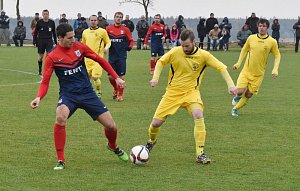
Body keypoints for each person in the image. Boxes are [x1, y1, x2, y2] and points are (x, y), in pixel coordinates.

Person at [30, 23, 129, 170]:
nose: (73, 40)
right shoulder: (52, 57)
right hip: (68, 96)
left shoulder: (80, 48)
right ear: (60, 38)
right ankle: (61, 160)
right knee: (60, 117)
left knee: (111, 126)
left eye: (73, 37)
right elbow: (45, 82)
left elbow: (100, 60)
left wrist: (116, 77)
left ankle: (112, 146)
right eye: (69, 38)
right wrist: (38, 97)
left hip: (88, 94)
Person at [144, 29, 236, 164]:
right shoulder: (176, 51)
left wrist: (231, 85)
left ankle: (200, 153)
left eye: (187, 45)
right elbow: (160, 62)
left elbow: (221, 67)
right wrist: (155, 78)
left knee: (198, 115)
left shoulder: (204, 55)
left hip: (191, 92)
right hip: (172, 93)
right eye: (182, 45)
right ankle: (151, 141)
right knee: (156, 124)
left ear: (194, 42)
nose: (184, 48)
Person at [231, 18, 281, 116]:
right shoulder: (251, 38)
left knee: (248, 94)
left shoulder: (272, 41)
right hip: (246, 71)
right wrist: (238, 63)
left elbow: (277, 55)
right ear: (257, 27)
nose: (261, 28)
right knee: (240, 91)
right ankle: (237, 96)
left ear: (267, 28)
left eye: (264, 26)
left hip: (258, 74)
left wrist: (275, 69)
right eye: (260, 26)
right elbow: (244, 50)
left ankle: (235, 109)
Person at [106, 12, 134, 102]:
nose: (118, 18)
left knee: (120, 76)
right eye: (117, 17)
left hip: (122, 56)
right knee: (110, 76)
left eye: (120, 17)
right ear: (114, 18)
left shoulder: (125, 29)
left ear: (122, 19)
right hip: (112, 56)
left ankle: (120, 95)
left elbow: (131, 40)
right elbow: (104, 39)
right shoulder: (108, 29)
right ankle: (116, 88)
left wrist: (129, 47)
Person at [82, 15, 111, 98]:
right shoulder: (85, 32)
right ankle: (88, 93)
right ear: (89, 21)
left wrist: (106, 48)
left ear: (97, 21)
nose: (93, 21)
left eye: (95, 20)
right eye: (91, 20)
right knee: (87, 78)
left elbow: (108, 42)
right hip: (87, 59)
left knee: (95, 77)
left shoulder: (102, 31)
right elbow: (83, 44)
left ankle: (98, 91)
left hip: (98, 59)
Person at [33, 9, 57, 76]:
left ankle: (48, 70)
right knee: (40, 57)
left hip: (49, 41)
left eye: (47, 14)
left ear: (48, 15)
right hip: (41, 41)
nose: (45, 15)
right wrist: (34, 42)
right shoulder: (39, 22)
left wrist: (56, 42)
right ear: (42, 15)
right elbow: (35, 33)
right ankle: (40, 70)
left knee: (50, 56)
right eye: (44, 14)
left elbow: (54, 33)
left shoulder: (52, 22)